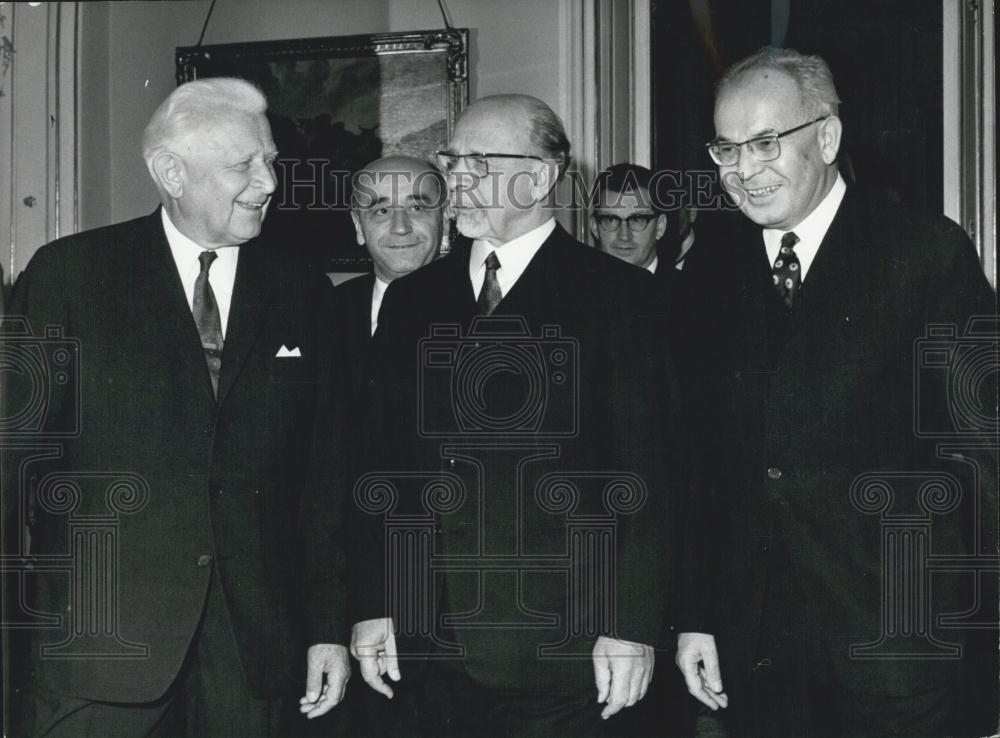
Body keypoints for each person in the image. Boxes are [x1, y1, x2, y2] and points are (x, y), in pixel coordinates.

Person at [2, 77, 350, 737]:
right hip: (98, 651)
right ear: (171, 172)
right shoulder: (71, 276)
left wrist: (327, 628)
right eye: (244, 165)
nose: (268, 181)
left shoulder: (300, 287)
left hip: (252, 654)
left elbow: (323, 478)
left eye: (270, 160)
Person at [675, 47, 998, 737]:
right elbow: (701, 465)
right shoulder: (710, 264)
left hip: (898, 643)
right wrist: (697, 616)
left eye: (766, 143)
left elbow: (983, 451)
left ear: (826, 136)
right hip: (756, 647)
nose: (743, 171)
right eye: (725, 149)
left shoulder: (924, 251)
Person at [350, 94, 683, 737]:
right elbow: (380, 468)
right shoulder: (414, 299)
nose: (457, 180)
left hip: (568, 652)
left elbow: (652, 476)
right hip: (427, 653)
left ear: (539, 177)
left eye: (480, 162)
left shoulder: (623, 299)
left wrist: (632, 626)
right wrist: (375, 604)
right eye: (453, 160)